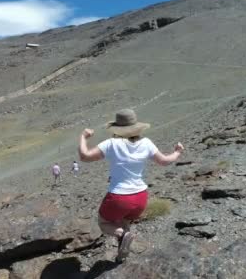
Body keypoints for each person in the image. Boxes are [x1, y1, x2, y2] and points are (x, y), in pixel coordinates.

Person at [78, 108, 184, 263]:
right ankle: (122, 253)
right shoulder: (146, 143)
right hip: (141, 197)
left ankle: (122, 235)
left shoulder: (112, 144)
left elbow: (85, 156)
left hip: (119, 197)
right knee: (124, 222)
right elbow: (164, 161)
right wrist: (178, 152)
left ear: (117, 128)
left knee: (104, 222)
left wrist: (83, 137)